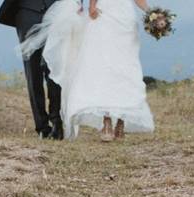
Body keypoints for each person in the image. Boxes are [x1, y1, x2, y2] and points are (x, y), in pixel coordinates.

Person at [19, 0, 154, 142]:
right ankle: (105, 120)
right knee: (103, 66)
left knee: (125, 67)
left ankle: (121, 121)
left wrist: (152, 13)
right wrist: (92, 5)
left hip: (125, 18)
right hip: (102, 14)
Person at [0, 0, 65, 140]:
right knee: (33, 73)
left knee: (54, 69)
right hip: (27, 13)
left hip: (58, 11)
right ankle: (42, 126)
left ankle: (56, 121)